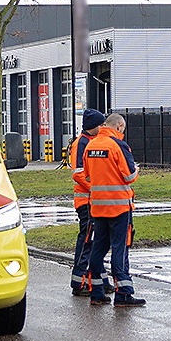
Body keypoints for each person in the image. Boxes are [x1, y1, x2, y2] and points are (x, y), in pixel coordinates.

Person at [83, 112, 145, 307]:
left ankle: (97, 292)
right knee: (119, 249)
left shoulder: (91, 145)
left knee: (98, 249)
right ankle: (123, 293)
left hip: (97, 206)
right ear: (118, 126)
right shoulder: (118, 145)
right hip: (118, 206)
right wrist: (136, 171)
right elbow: (128, 177)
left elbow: (86, 177)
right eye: (123, 130)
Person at [69, 108, 108, 297]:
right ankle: (79, 281)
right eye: (101, 124)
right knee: (87, 240)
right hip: (86, 200)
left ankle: (99, 279)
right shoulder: (82, 143)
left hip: (95, 199)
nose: (103, 127)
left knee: (96, 241)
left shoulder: (93, 141)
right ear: (92, 126)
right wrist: (96, 186)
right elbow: (78, 173)